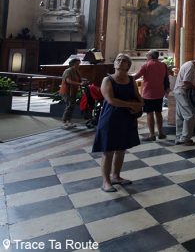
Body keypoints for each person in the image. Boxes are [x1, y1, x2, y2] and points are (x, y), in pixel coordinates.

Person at [92, 53, 144, 192]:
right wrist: (131, 105)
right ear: (114, 64)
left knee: (121, 149)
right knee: (108, 151)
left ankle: (116, 176)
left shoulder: (131, 79)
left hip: (126, 118)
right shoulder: (108, 80)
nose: (120, 62)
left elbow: (137, 96)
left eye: (124, 60)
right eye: (118, 60)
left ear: (128, 65)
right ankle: (106, 181)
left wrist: (140, 104)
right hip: (110, 118)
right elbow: (111, 100)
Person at [133, 50, 168, 141]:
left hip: (148, 93)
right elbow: (166, 78)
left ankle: (152, 135)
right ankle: (161, 133)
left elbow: (136, 76)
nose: (146, 56)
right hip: (159, 92)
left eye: (147, 55)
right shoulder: (163, 65)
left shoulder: (146, 65)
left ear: (150, 56)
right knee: (158, 113)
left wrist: (125, 78)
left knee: (149, 113)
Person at [174, 54, 195, 145]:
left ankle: (179, 137)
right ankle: (185, 139)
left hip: (179, 91)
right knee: (189, 116)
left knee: (180, 116)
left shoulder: (188, 64)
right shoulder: (191, 66)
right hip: (182, 92)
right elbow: (186, 82)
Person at [60, 58, 84, 129]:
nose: (78, 65)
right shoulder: (68, 71)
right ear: (73, 64)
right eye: (77, 64)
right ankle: (64, 122)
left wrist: (83, 82)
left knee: (72, 106)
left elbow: (79, 80)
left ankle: (68, 121)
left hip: (73, 91)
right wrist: (79, 83)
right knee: (69, 106)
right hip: (66, 91)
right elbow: (68, 81)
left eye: (79, 64)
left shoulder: (76, 71)